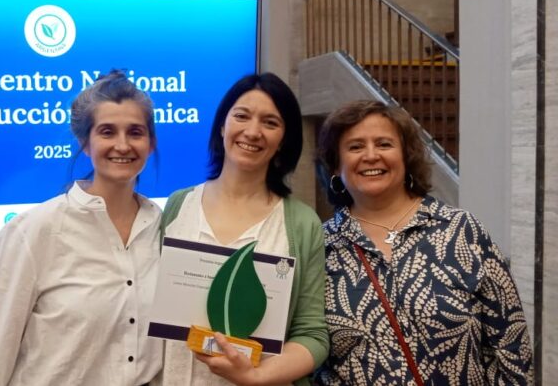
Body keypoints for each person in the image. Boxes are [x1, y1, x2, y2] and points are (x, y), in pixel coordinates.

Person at [313, 100, 533, 385]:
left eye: (384, 144)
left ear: (406, 156)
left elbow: (512, 345)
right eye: (355, 147)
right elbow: (310, 353)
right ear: (335, 165)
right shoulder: (320, 246)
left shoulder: (461, 230)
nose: (371, 155)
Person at [0, 71, 162, 385]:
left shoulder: (163, 229)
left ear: (151, 143)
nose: (122, 145)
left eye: (135, 132)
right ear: (85, 142)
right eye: (107, 132)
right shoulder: (33, 231)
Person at [160, 73, 329, 386]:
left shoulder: (303, 224)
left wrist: (256, 376)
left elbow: (312, 335)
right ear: (222, 126)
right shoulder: (178, 205)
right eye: (241, 116)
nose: (252, 132)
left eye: (270, 122)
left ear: (284, 140)